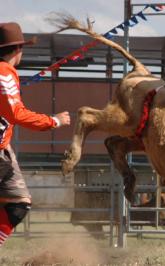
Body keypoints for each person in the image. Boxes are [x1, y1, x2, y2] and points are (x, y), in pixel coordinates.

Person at [0, 22, 70, 247]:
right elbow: (16, 112)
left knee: (17, 202)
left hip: (4, 149)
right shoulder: (4, 73)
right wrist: (53, 121)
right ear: (17, 49)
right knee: (18, 203)